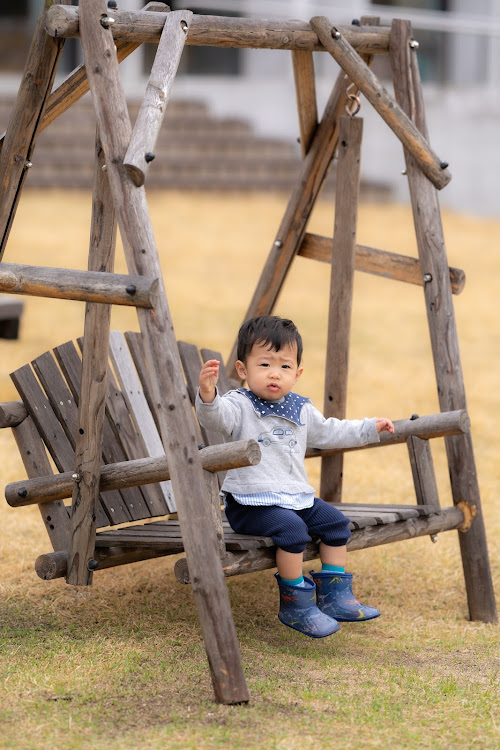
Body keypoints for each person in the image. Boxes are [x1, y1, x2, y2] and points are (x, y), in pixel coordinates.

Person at [196, 315, 394, 639]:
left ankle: (334, 595)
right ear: (244, 370)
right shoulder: (239, 404)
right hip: (250, 504)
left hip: (295, 498)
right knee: (293, 531)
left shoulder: (301, 409)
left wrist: (369, 428)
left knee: (335, 523)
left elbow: (331, 431)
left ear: (297, 373)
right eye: (265, 365)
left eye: (285, 367)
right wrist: (208, 395)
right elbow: (216, 417)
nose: (275, 373)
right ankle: (295, 602)